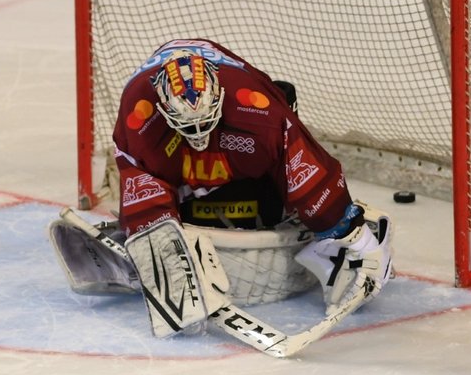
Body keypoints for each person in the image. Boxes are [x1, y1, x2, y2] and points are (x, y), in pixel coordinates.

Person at [50, 38, 393, 338]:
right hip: (172, 144)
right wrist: (151, 236)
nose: (198, 133)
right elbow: (139, 178)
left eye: (204, 121)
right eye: (188, 125)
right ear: (163, 110)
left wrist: (348, 232)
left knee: (280, 188)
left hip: (240, 142)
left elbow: (304, 167)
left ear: (221, 95)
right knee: (153, 218)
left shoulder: (255, 107)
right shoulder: (139, 117)